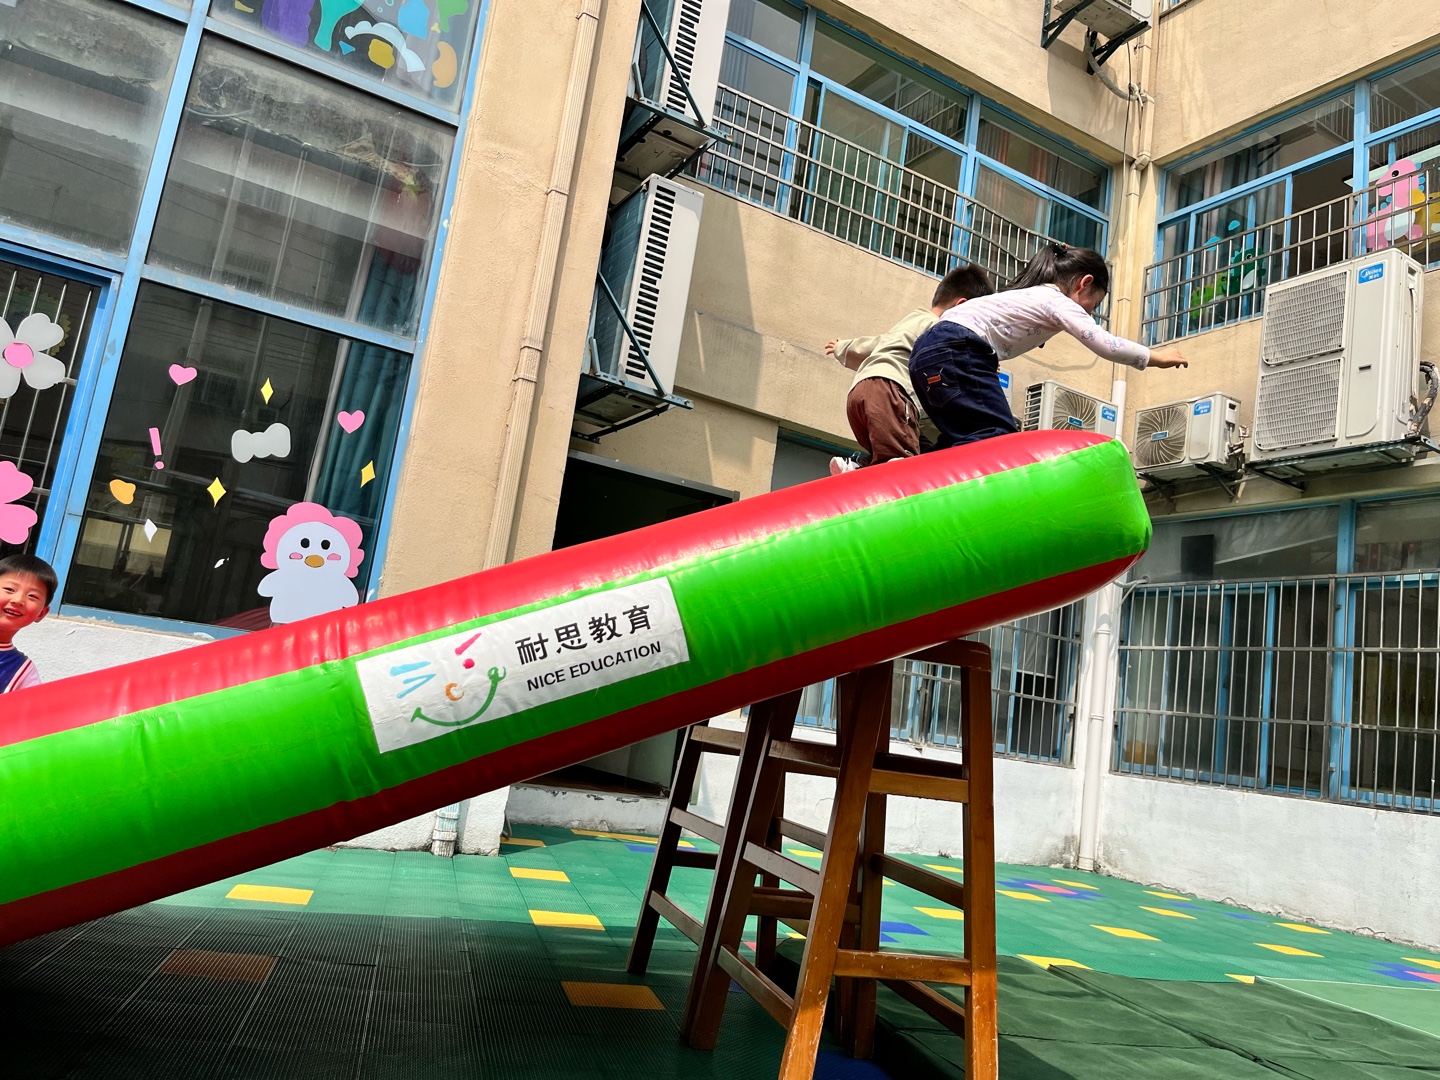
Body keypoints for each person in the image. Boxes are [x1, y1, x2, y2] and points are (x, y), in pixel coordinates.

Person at [909, 244, 1188, 449]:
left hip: (924, 353)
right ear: (1084, 283)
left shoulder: (1030, 295)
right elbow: (1106, 344)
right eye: (1094, 304)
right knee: (996, 435)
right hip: (958, 348)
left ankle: (922, 472)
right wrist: (1155, 356)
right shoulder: (1057, 300)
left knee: (962, 434)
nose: (1090, 313)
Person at [827, 263, 996, 472]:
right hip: (890, 393)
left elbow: (871, 344)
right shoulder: (940, 329)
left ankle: (856, 469)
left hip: (859, 395)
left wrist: (841, 347)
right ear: (961, 306)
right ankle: (883, 470)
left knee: (915, 448)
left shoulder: (909, 323)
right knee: (900, 461)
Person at [0, 552, 55, 693]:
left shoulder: (22, 671)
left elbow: (34, 706)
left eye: (32, 596)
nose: (18, 600)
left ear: (41, 613)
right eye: (9, 589)